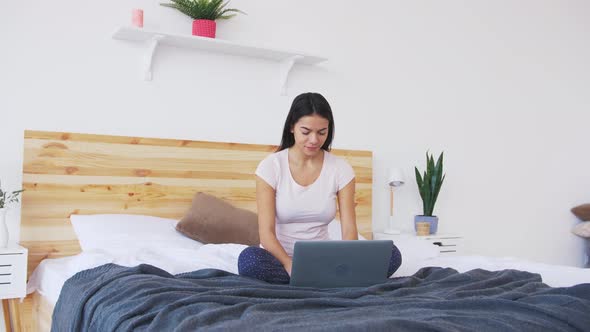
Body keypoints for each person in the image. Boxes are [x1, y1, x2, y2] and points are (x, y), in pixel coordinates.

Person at [238, 92, 402, 284]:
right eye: (306, 132)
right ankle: (326, 281)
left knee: (392, 254)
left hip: (326, 260)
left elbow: (349, 229)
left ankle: (315, 279)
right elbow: (266, 234)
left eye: (322, 132)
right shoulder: (270, 167)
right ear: (292, 127)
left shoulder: (341, 169)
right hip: (280, 260)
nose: (314, 140)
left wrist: (346, 260)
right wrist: (290, 265)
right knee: (249, 260)